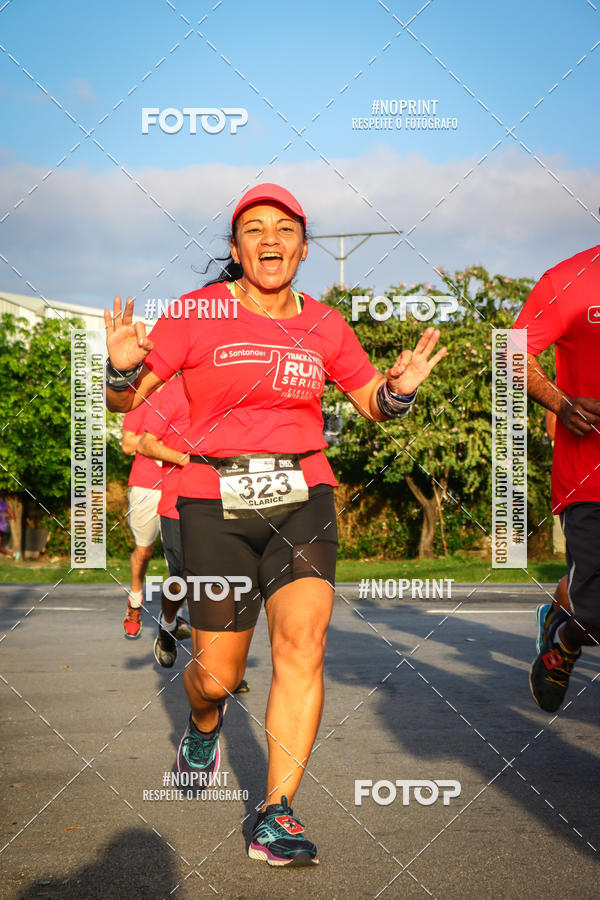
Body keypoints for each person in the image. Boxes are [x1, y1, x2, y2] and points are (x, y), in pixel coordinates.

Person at [104, 183, 446, 866]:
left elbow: (370, 401)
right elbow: (127, 399)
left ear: (302, 246)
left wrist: (398, 391)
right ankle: (204, 726)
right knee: (218, 675)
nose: (270, 239)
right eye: (254, 229)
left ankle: (275, 811)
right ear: (235, 249)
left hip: (303, 494)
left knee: (303, 646)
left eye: (284, 229)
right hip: (212, 501)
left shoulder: (323, 323)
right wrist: (120, 367)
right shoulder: (195, 313)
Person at [514, 244, 600, 712]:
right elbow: (511, 353)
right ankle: (565, 637)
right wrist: (562, 404)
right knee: (598, 611)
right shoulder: (567, 279)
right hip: (590, 480)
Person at [136, 376, 247, 690]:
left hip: (227, 502)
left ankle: (221, 667)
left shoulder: (230, 387)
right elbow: (145, 443)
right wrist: (190, 460)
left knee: (222, 585)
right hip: (179, 504)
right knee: (185, 580)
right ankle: (168, 624)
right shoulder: (172, 392)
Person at [121, 400, 164, 637]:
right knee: (144, 551)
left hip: (178, 483)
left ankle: (172, 617)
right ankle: (135, 601)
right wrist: (154, 443)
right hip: (145, 484)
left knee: (178, 554)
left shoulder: (185, 395)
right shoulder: (141, 403)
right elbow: (127, 444)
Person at [0, 495, 15, 559]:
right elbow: (12, 516)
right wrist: (3, 518)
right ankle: (13, 555)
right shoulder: (4, 505)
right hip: (2, 527)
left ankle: (13, 555)